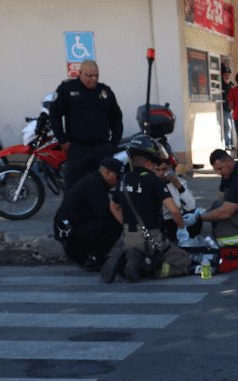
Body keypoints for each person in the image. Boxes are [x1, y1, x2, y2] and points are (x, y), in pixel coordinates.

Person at [99, 135, 191, 283]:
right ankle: (145, 267)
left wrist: (126, 225)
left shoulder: (124, 179)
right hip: (151, 237)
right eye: (155, 162)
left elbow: (114, 206)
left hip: (128, 234)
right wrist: (181, 229)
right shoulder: (155, 181)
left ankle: (127, 256)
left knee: (130, 242)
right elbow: (174, 210)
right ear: (149, 161)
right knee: (184, 261)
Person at [47, 60, 124, 191]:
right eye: (89, 75)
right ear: (80, 73)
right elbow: (54, 114)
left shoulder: (105, 91)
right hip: (78, 149)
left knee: (100, 189)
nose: (94, 79)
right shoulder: (67, 89)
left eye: (96, 75)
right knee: (74, 188)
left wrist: (114, 142)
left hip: (102, 148)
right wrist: (62, 139)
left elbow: (116, 117)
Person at [52, 157, 123, 270]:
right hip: (70, 234)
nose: (118, 181)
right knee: (114, 224)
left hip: (71, 229)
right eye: (117, 177)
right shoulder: (94, 184)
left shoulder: (95, 180)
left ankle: (89, 255)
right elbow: (105, 213)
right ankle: (95, 259)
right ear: (107, 172)